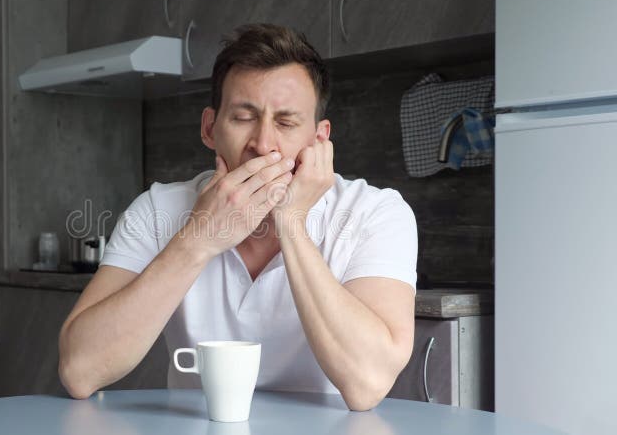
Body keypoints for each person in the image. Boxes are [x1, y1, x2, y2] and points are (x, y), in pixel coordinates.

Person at [58, 23, 417, 411]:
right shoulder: (157, 210)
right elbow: (80, 371)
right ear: (210, 129)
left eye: (286, 122)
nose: (262, 144)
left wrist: (292, 223)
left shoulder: (377, 212)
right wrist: (197, 239)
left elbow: (368, 384)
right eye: (244, 117)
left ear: (319, 139)